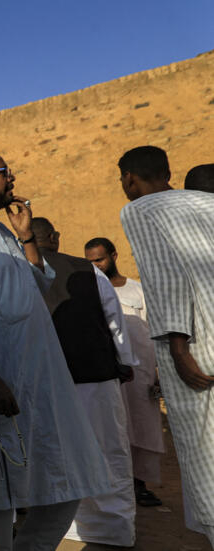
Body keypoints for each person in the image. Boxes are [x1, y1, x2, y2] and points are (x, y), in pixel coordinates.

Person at [0, 150, 111, 551]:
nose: (12, 179)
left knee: (64, 487)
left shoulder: (4, 231)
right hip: (1, 383)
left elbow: (37, 287)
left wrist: (25, 236)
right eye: (4, 172)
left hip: (43, 380)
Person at [118, 145, 214, 544]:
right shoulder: (207, 202)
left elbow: (166, 277)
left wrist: (179, 348)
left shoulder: (141, 209)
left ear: (129, 179)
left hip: (200, 343)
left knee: (205, 455)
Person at [30, 218, 138, 547]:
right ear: (54, 238)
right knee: (108, 451)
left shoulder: (18, 271)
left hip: (45, 384)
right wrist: (125, 362)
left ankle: (71, 528)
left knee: (56, 455)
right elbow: (114, 322)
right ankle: (114, 528)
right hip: (96, 377)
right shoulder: (90, 271)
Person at [85, 236, 165, 507]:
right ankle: (116, 487)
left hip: (141, 373)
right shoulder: (90, 292)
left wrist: (159, 373)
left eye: (100, 259)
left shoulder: (138, 290)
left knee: (143, 428)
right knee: (114, 427)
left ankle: (139, 485)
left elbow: (154, 330)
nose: (95, 265)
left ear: (114, 256)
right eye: (90, 261)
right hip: (108, 372)